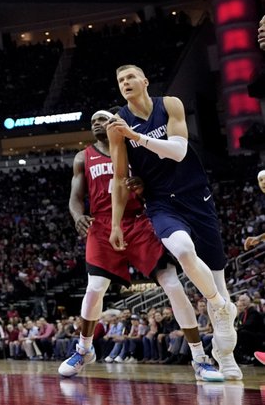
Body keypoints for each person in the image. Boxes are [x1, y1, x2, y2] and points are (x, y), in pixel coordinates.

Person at [58, 110, 224, 380]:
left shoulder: (134, 149)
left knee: (172, 283)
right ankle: (84, 349)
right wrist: (78, 216)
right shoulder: (82, 157)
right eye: (93, 122)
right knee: (95, 288)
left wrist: (142, 185)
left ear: (115, 123)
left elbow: (157, 182)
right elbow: (75, 196)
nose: (98, 124)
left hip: (139, 221)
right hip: (101, 225)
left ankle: (200, 358)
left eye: (103, 119)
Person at [106, 64, 241, 380]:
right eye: (120, 80)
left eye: (130, 77)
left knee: (217, 280)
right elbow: (120, 177)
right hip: (162, 203)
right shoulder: (118, 126)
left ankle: (227, 358)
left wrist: (136, 136)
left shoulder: (170, 104)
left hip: (197, 198)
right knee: (181, 250)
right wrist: (114, 223)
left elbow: (179, 152)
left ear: (145, 81)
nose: (125, 82)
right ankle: (220, 305)